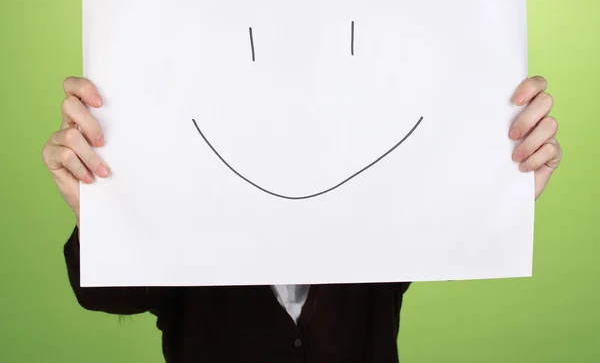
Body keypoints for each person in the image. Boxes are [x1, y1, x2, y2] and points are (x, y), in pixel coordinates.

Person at [42, 75, 562, 363]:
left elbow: (451, 216)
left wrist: (508, 176)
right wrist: (102, 209)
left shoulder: (378, 196)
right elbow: (110, 294)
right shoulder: (187, 191)